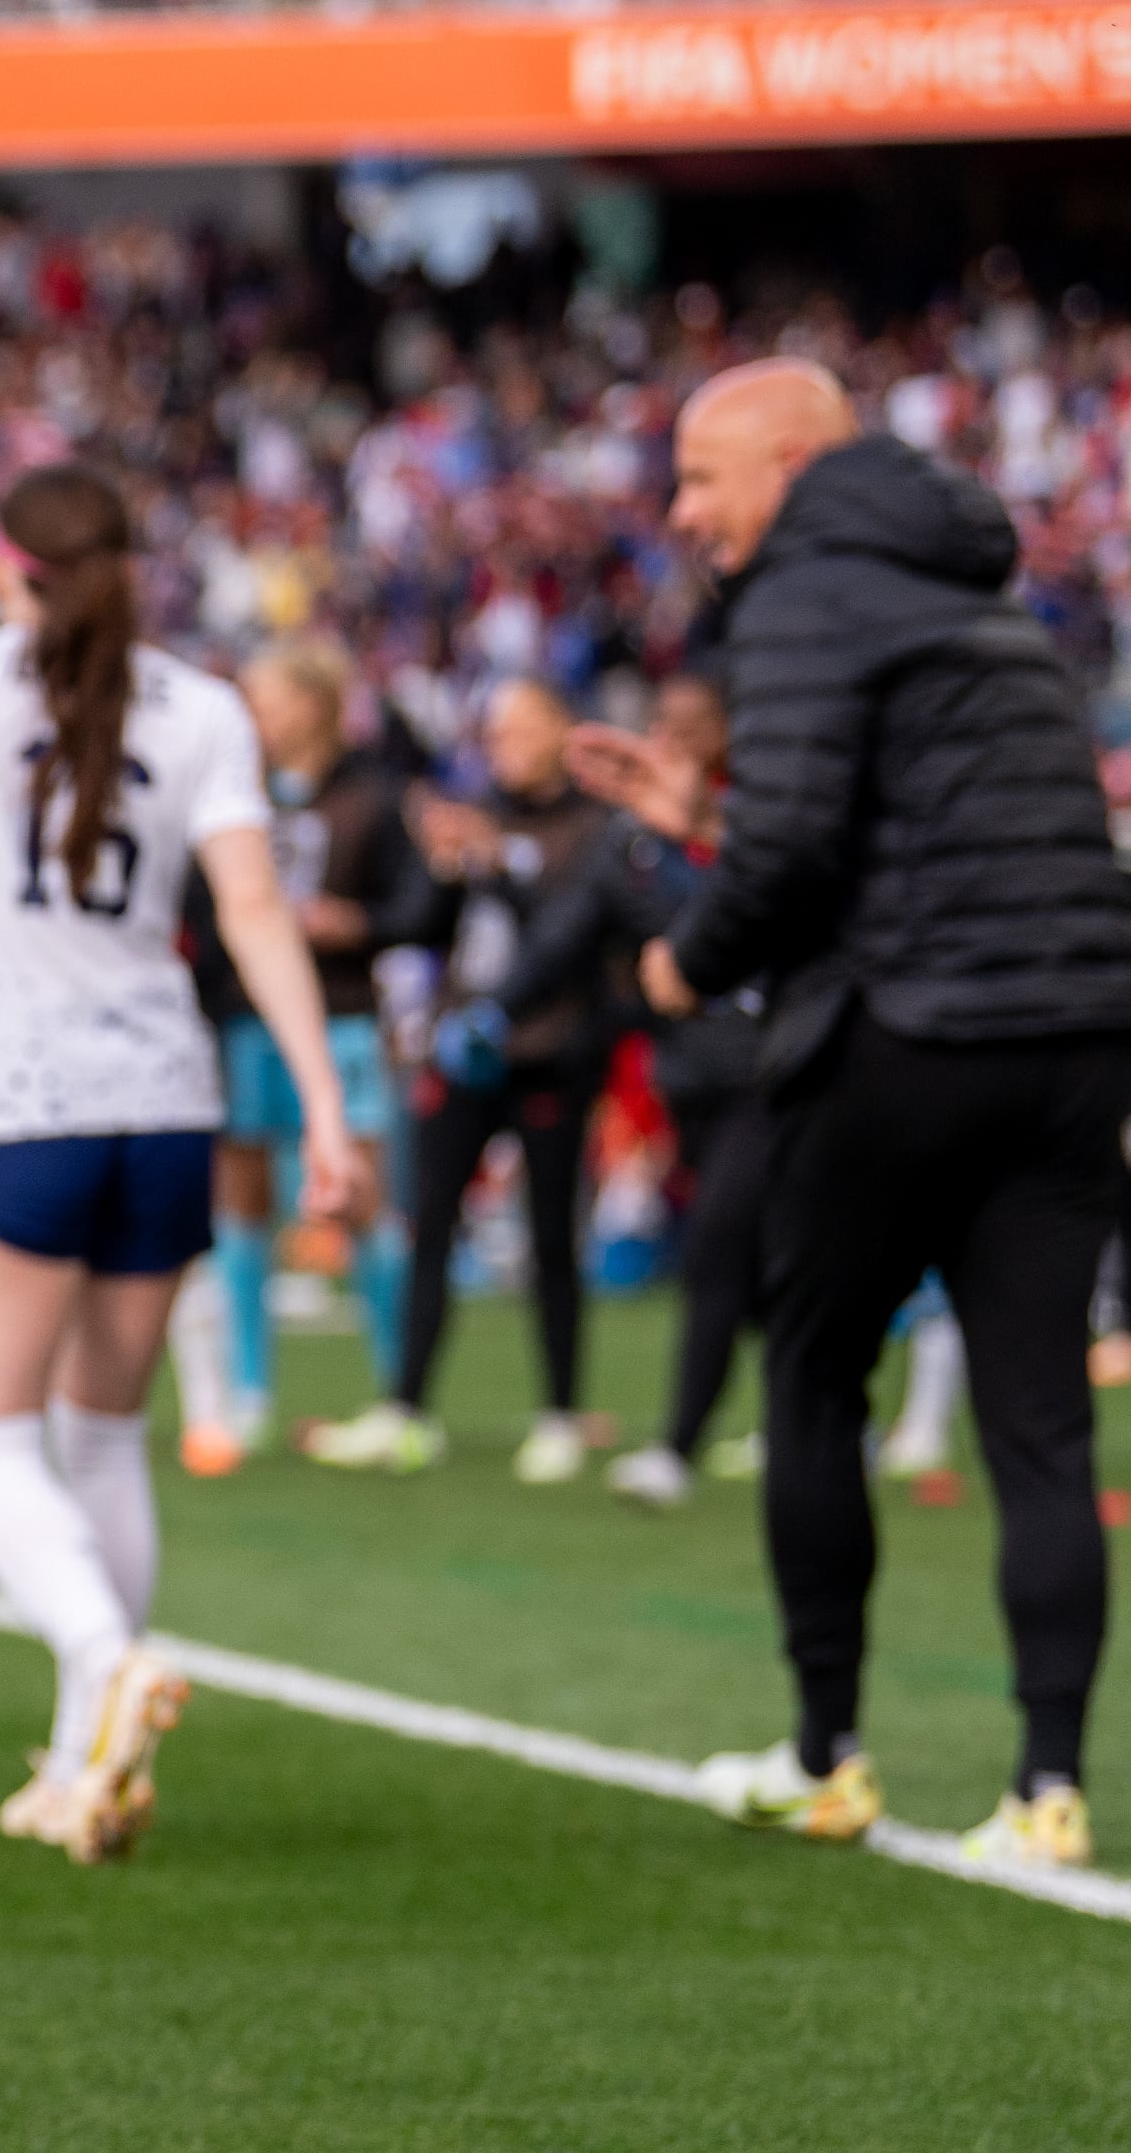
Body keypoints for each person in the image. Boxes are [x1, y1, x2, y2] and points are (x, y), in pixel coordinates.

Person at [570, 357, 1131, 1870]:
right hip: (1077, 1030)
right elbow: (893, 827)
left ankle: (828, 1752)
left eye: (703, 476)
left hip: (913, 1031)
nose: (684, 510)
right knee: (1042, 1420)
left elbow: (788, 869)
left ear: (786, 462)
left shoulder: (809, 594)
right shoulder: (973, 596)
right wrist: (695, 820)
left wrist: (678, 958)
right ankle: (1049, 1791)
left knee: (818, 1378)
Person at [0, 463, 367, 1866]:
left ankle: (101, 1655)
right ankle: (80, 1762)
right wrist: (326, 1112)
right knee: (107, 1434)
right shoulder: (204, 707)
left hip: (12, 1102)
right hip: (164, 1101)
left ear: (7, 567)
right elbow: (253, 915)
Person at [306, 678, 616, 1484]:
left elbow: (566, 936)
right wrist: (446, 871)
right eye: (495, 730)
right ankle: (406, 1408)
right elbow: (423, 927)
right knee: (428, 1226)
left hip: (549, 1052)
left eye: (519, 727)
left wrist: (495, 865)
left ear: (561, 732)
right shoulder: (479, 814)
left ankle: (560, 1415)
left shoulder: (591, 828)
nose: (503, 743)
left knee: (553, 1235)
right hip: (460, 1048)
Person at [504, 676, 770, 1510]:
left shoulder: (764, 820)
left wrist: (694, 829)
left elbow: (756, 914)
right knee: (756, 1261)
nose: (677, 739)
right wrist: (492, 1009)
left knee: (721, 1248)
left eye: (697, 723)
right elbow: (563, 936)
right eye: (667, 725)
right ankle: (821, 1410)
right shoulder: (632, 846)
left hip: (772, 1072)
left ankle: (679, 1444)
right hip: (690, 1080)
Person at [165, 635, 421, 1475]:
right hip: (243, 1020)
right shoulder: (229, 793)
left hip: (342, 1015)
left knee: (359, 1194)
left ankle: (399, 1390)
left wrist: (363, 924)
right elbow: (201, 910)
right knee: (241, 1204)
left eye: (268, 699)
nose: (254, 715)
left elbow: (417, 905)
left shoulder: (372, 796)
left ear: (313, 704)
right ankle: (249, 1392)